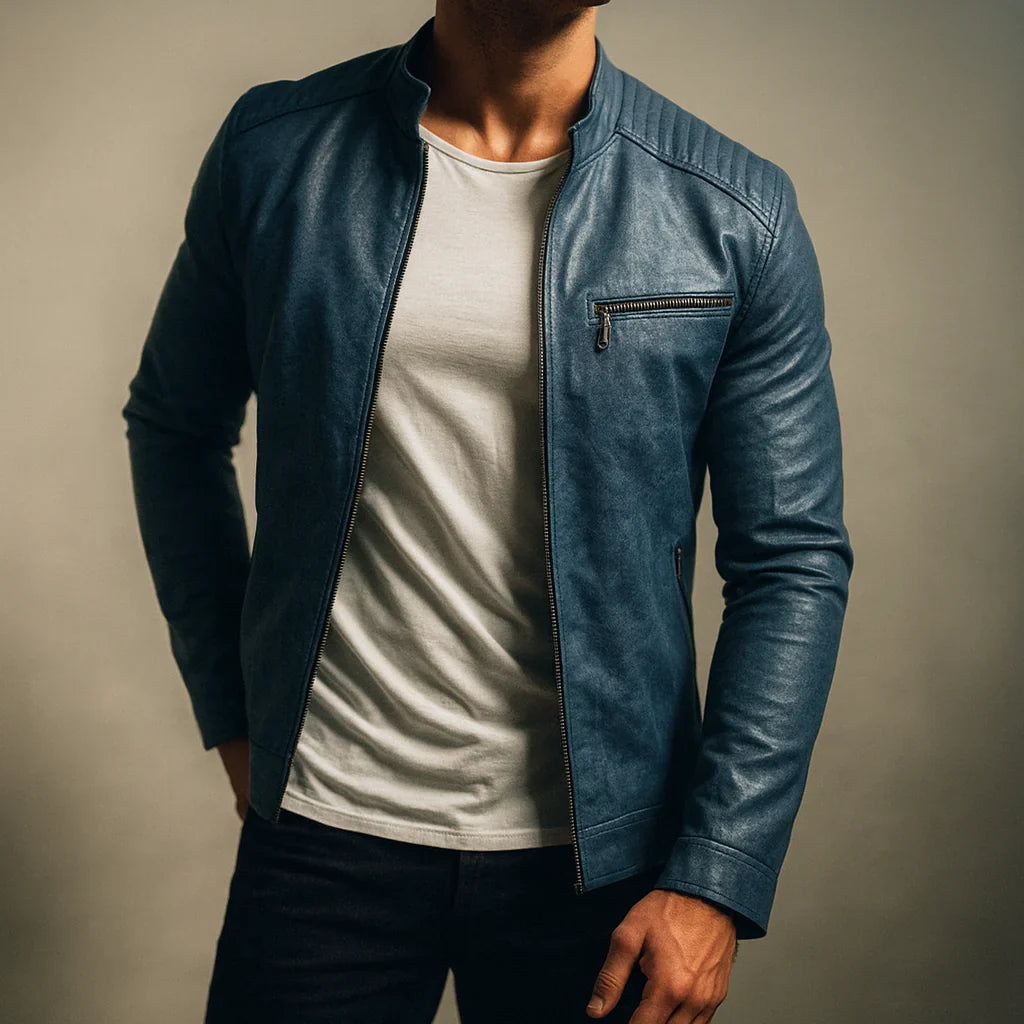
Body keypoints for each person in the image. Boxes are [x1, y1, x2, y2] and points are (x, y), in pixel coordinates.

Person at [121, 2, 853, 1021]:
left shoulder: (730, 211)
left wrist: (716, 871)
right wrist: (235, 712)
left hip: (606, 863)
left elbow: (792, 561)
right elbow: (175, 426)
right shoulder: (277, 151)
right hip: (326, 834)